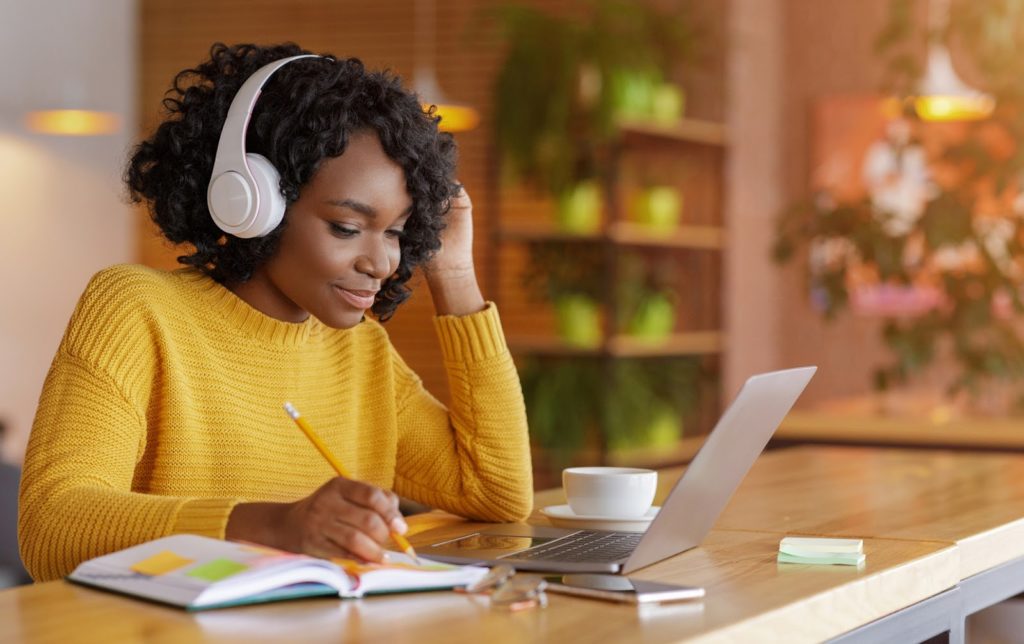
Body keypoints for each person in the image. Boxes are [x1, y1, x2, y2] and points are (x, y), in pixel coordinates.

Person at [18, 42, 533, 583]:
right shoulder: (136, 310)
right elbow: (52, 527)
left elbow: (497, 492)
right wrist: (272, 527)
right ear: (253, 202)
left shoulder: (360, 350)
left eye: (399, 233)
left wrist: (453, 274)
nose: (381, 261)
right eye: (347, 228)